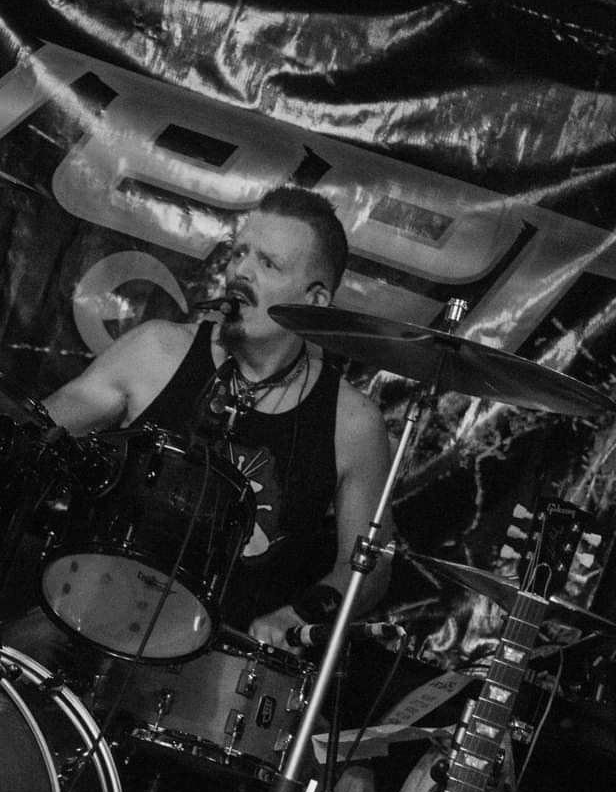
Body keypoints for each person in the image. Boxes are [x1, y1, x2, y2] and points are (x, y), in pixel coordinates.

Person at [42, 185, 393, 647]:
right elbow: (40, 428)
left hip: (219, 664)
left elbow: (371, 564)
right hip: (86, 622)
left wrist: (298, 615)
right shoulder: (156, 351)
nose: (240, 271)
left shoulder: (352, 423)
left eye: (268, 264)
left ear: (314, 300)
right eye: (240, 252)